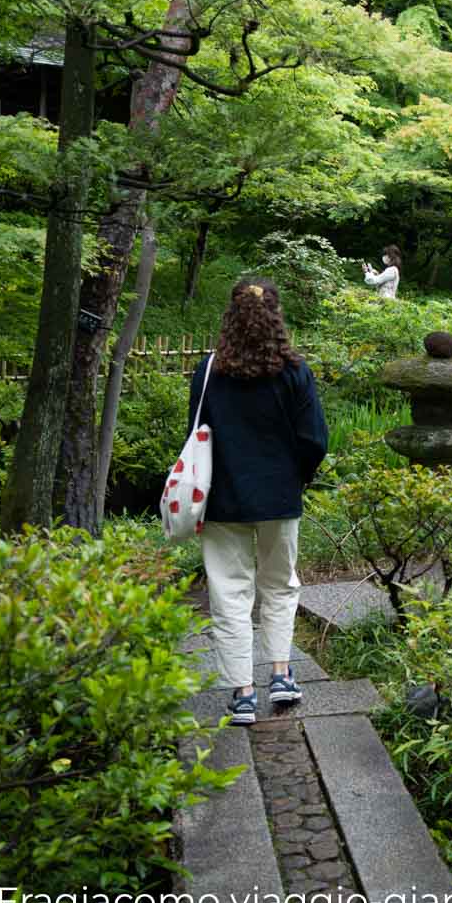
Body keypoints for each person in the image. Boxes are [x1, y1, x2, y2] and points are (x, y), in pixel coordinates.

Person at [189, 279, 329, 727]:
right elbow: (314, 440)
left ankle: (242, 694)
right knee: (280, 585)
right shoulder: (294, 371)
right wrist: (296, 479)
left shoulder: (209, 371)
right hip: (279, 496)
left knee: (229, 592)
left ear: (229, 317)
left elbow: (195, 436)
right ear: (277, 315)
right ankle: (282, 675)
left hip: (221, 499)